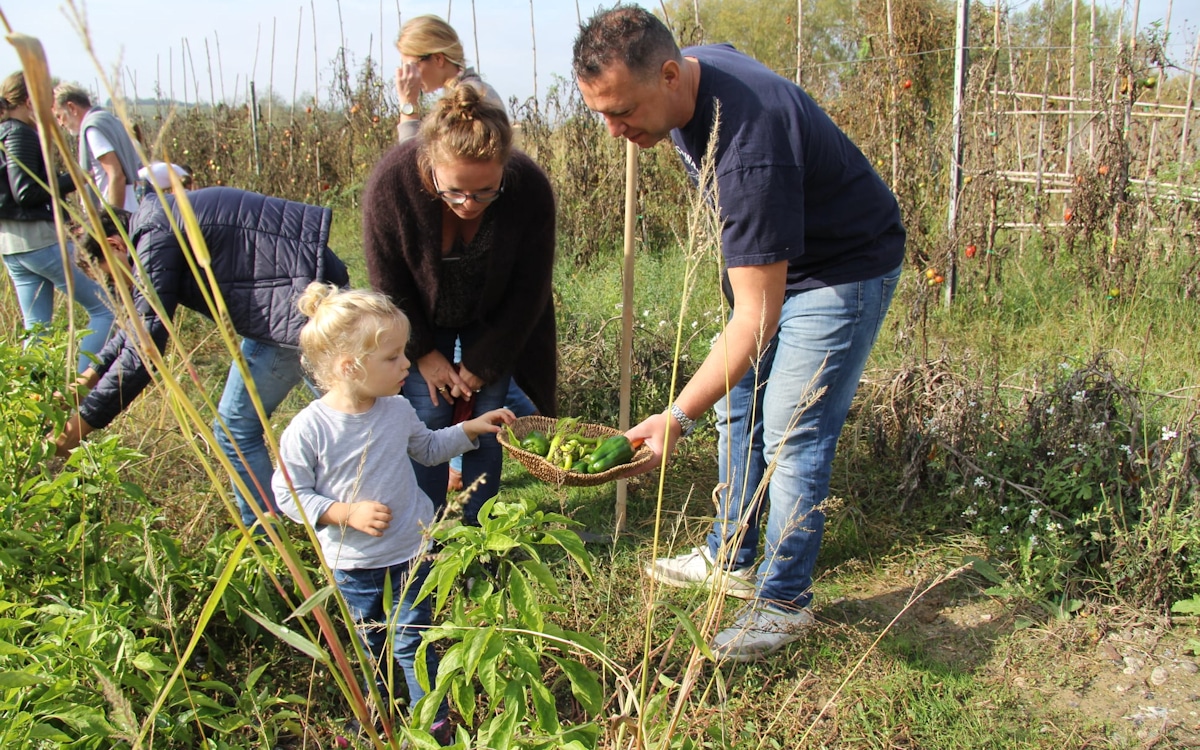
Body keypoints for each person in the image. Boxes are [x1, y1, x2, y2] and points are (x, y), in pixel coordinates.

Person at [574, 7, 905, 662]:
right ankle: (731, 555)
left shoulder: (748, 150)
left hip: (840, 266)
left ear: (670, 75)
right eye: (602, 114)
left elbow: (757, 319)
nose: (615, 131)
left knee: (791, 430)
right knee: (737, 406)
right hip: (778, 255)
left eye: (624, 112)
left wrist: (673, 418)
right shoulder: (691, 70)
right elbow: (754, 304)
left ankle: (783, 605)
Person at [273, 283, 513, 744]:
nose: (407, 364)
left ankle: (434, 724)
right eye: (394, 357)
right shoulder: (310, 430)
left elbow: (427, 449)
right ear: (350, 367)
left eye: (404, 353)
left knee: (416, 640)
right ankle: (377, 716)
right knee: (371, 646)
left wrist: (469, 429)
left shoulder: (397, 408)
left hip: (410, 550)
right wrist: (343, 511)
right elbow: (289, 493)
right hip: (355, 565)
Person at [54, 187, 350, 531]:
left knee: (236, 430)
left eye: (107, 275)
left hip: (293, 306)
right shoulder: (156, 221)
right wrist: (86, 381)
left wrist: (76, 430)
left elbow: (145, 350)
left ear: (115, 245)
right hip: (305, 289)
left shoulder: (154, 238)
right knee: (354, 410)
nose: (113, 285)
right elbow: (137, 325)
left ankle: (269, 536)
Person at [362, 84, 557, 526]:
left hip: (494, 323)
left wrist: (484, 362)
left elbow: (530, 288)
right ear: (430, 164)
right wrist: (425, 355)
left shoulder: (528, 188)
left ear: (505, 168)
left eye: (486, 191)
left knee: (489, 426)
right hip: (419, 322)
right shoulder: (393, 183)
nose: (469, 205)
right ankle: (424, 535)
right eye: (454, 192)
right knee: (428, 420)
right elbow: (388, 281)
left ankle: (479, 533)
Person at [0, 71, 114, 373]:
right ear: (28, 101)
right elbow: (26, 191)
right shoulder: (19, 132)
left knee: (36, 328)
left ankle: (34, 403)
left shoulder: (2, 131)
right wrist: (75, 178)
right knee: (106, 309)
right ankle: (76, 391)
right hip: (39, 240)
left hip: (11, 245)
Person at [393, 14, 503, 143]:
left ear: (438, 59)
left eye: (411, 66)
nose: (409, 74)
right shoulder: (477, 90)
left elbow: (411, 161)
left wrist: (408, 105)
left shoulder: (467, 103)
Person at [51, 82, 141, 212]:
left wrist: (112, 220)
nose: (60, 124)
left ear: (71, 108)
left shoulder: (93, 129)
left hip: (119, 211)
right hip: (133, 206)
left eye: (59, 116)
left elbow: (116, 174)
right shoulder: (112, 121)